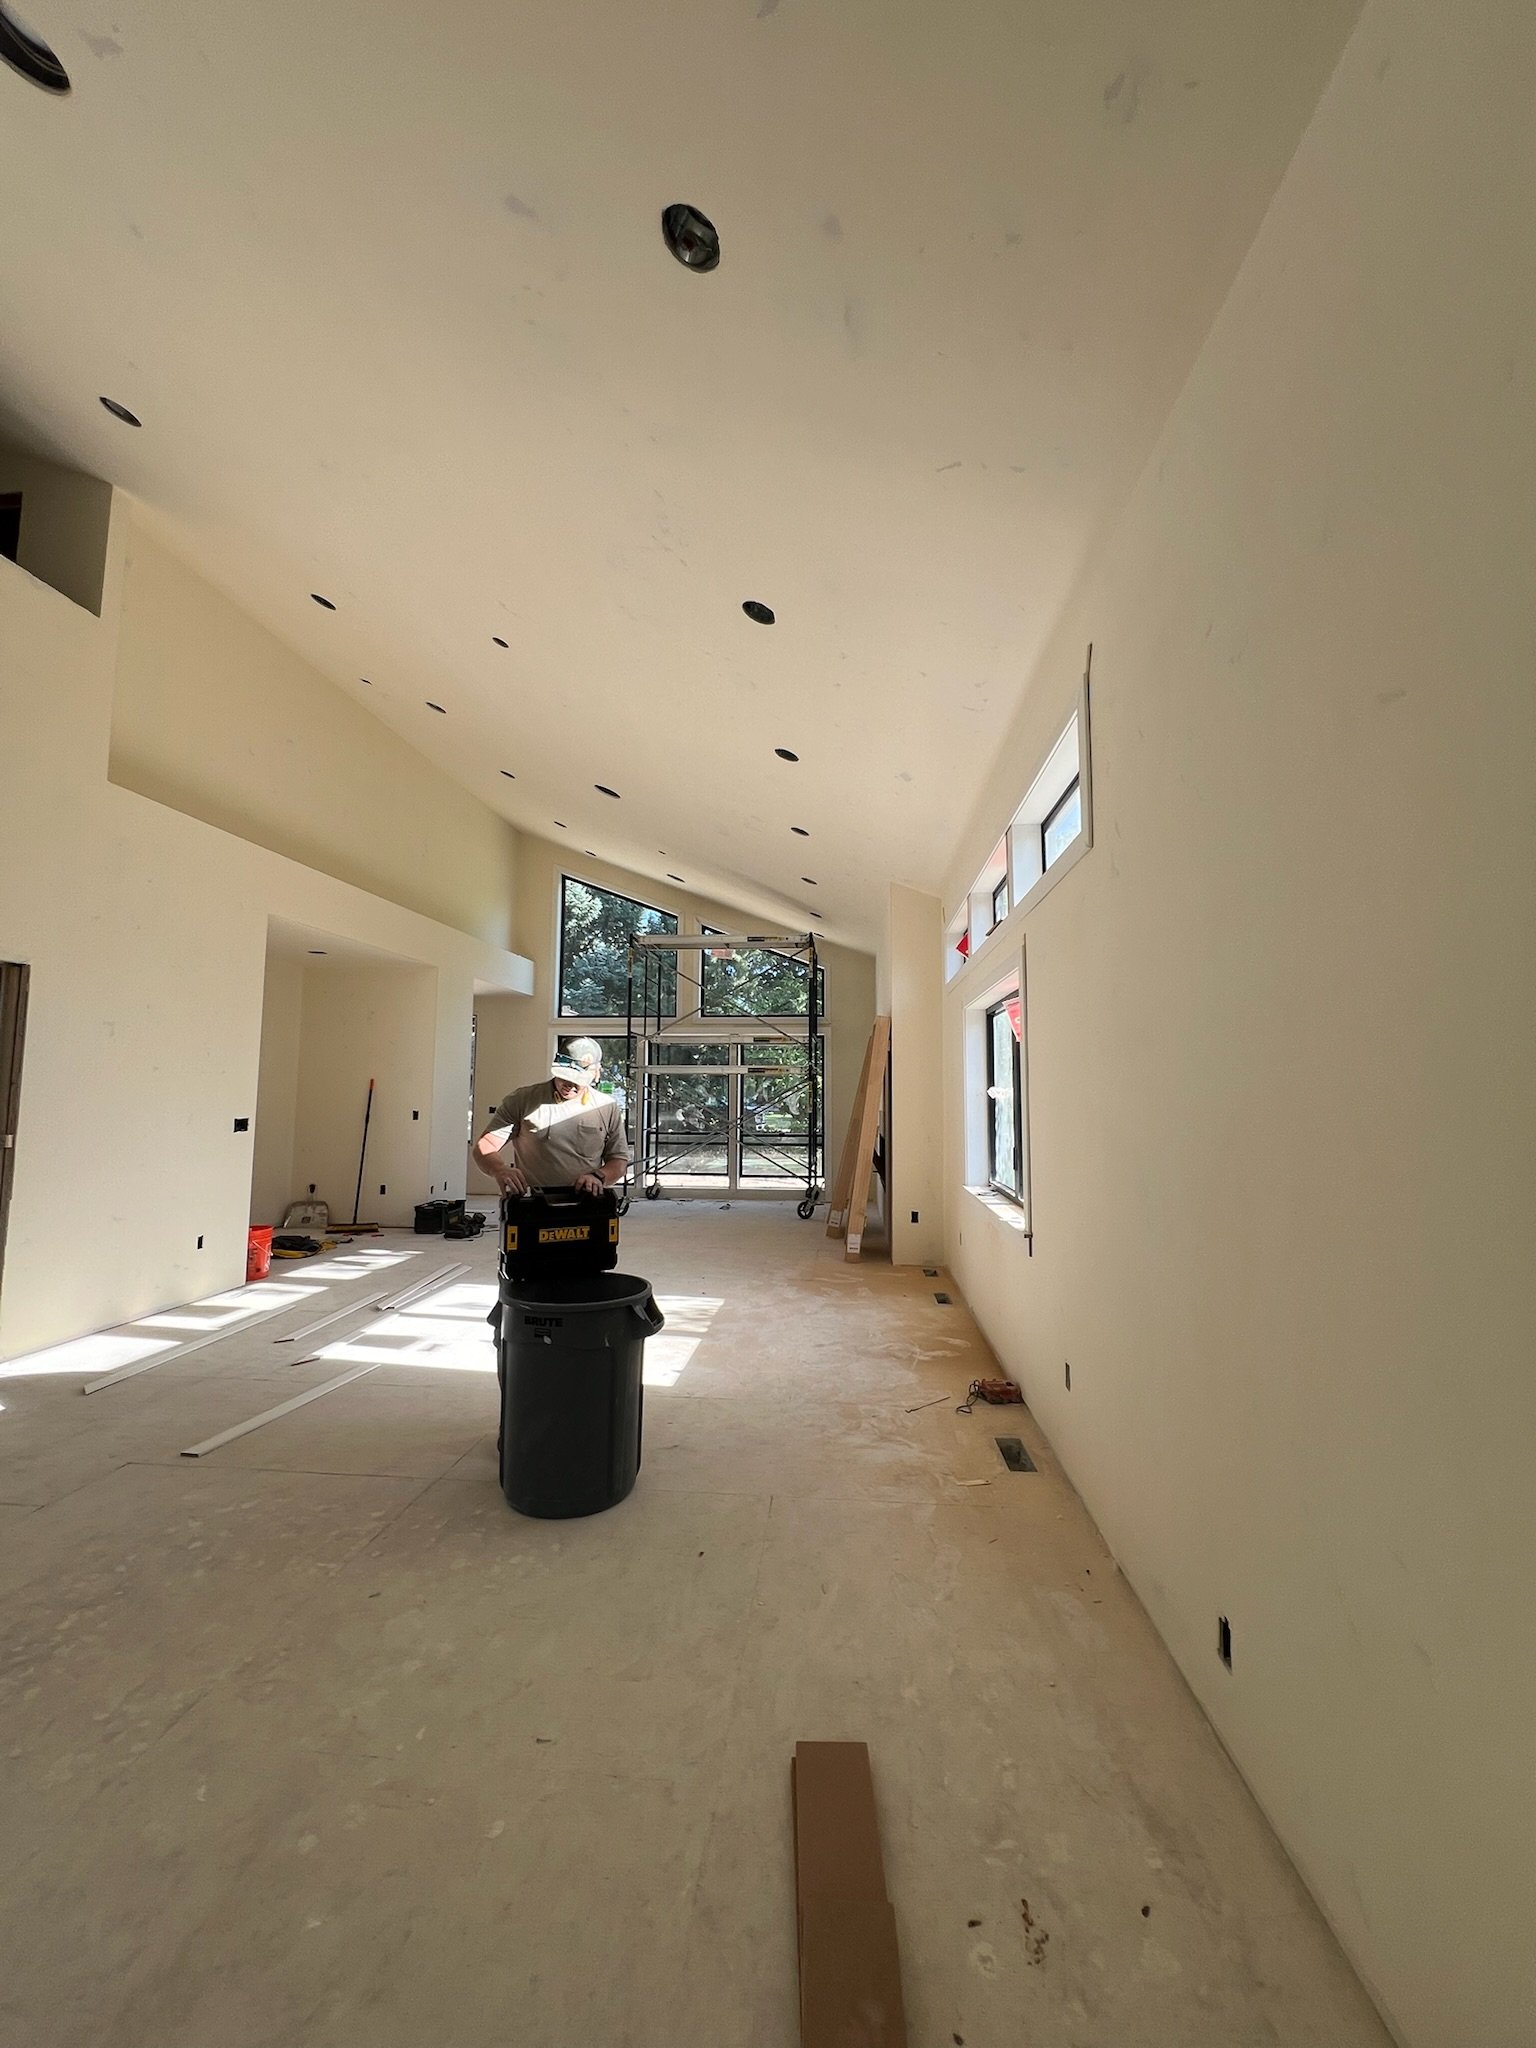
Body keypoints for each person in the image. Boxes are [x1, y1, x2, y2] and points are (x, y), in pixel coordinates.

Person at [472, 1038, 628, 1198]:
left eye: (577, 1080)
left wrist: (598, 1177)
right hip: (535, 1201)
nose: (569, 1084)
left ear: (596, 1073)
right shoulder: (522, 1100)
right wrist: (500, 1170)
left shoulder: (607, 1107)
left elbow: (618, 1161)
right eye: (564, 1077)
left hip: (585, 1200)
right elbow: (485, 1146)